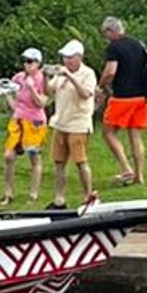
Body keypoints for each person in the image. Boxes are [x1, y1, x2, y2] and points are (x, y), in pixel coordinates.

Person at [98, 14, 147, 187]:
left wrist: (101, 85)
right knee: (135, 136)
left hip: (123, 97)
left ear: (110, 31)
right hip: (141, 97)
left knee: (108, 132)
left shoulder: (114, 47)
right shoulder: (138, 45)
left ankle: (125, 168)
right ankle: (139, 176)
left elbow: (110, 71)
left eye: (105, 33)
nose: (105, 37)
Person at [49, 39, 98, 209]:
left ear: (79, 57)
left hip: (78, 123)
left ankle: (88, 195)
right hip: (60, 122)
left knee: (80, 161)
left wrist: (70, 77)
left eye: (70, 57)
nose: (67, 61)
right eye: (64, 57)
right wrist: (43, 76)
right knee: (59, 162)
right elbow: (49, 90)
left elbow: (86, 94)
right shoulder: (60, 73)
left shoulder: (88, 73)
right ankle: (59, 197)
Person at [2, 46, 49, 206]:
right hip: (18, 119)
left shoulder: (41, 79)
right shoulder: (18, 78)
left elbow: (42, 103)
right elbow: (15, 103)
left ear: (38, 63)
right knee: (8, 156)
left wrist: (31, 89)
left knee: (33, 156)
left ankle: (33, 194)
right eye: (25, 61)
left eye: (30, 62)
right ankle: (7, 193)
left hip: (34, 121)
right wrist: (7, 93)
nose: (26, 65)